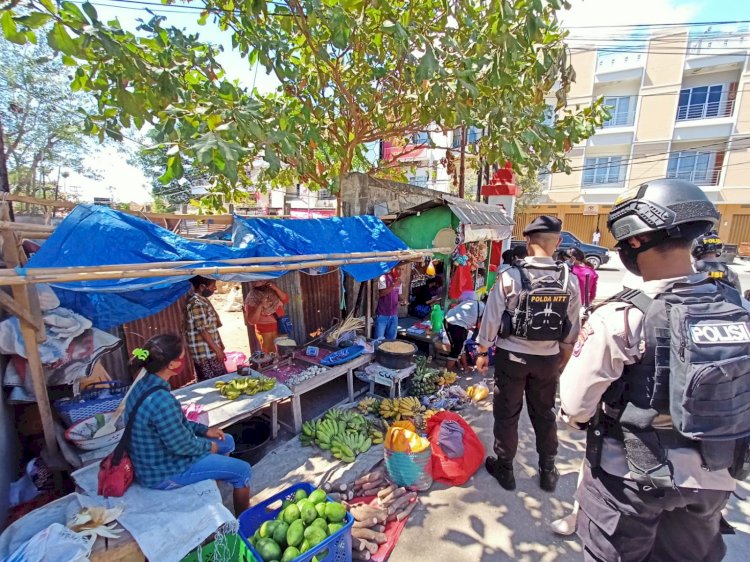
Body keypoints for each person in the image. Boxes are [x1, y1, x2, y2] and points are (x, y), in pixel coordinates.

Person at [560, 179, 748, 561]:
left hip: (630, 476)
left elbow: (576, 403)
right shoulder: (736, 308)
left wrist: (577, 420)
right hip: (714, 473)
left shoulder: (622, 315)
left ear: (633, 241)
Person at [478, 215, 581, 492]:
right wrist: (562, 358)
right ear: (558, 242)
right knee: (544, 413)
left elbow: (491, 317)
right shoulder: (568, 279)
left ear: (527, 241)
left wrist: (483, 349)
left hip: (511, 357)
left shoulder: (510, 276)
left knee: (507, 413)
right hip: (547, 358)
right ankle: (548, 470)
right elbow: (573, 326)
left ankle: (505, 469)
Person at [125, 334, 252, 514]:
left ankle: (215, 480)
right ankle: (243, 517)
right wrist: (207, 446)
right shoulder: (160, 399)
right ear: (172, 365)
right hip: (163, 472)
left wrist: (205, 430)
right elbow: (181, 445)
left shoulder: (144, 383)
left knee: (227, 440)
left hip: (158, 456)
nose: (186, 359)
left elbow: (177, 423)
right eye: (183, 356)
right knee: (243, 471)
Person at [185, 276, 226, 381]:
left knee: (219, 382)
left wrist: (219, 347)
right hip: (207, 354)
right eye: (213, 285)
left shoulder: (201, 301)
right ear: (202, 287)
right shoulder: (197, 303)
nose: (215, 288)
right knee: (215, 383)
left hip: (210, 352)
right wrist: (218, 351)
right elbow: (203, 330)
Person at [443, 290, 485, 372]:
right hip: (454, 323)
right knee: (456, 349)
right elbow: (480, 325)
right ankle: (446, 374)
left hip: (454, 321)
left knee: (462, 345)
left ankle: (465, 368)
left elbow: (472, 320)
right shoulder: (484, 310)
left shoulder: (479, 304)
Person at [244, 280, 290, 354]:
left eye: (263, 280)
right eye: (256, 281)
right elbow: (252, 321)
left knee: (281, 352)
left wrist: (275, 288)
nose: (261, 281)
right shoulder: (251, 298)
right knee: (270, 354)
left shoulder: (272, 291)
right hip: (265, 330)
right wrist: (261, 305)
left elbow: (285, 299)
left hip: (280, 325)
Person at [375, 267, 402, 340]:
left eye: (401, 270)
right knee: (379, 339)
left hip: (394, 315)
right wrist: (393, 285)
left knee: (391, 340)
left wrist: (402, 300)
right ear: (393, 269)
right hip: (382, 314)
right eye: (398, 269)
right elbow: (381, 293)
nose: (400, 271)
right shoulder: (383, 278)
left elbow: (398, 295)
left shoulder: (399, 281)